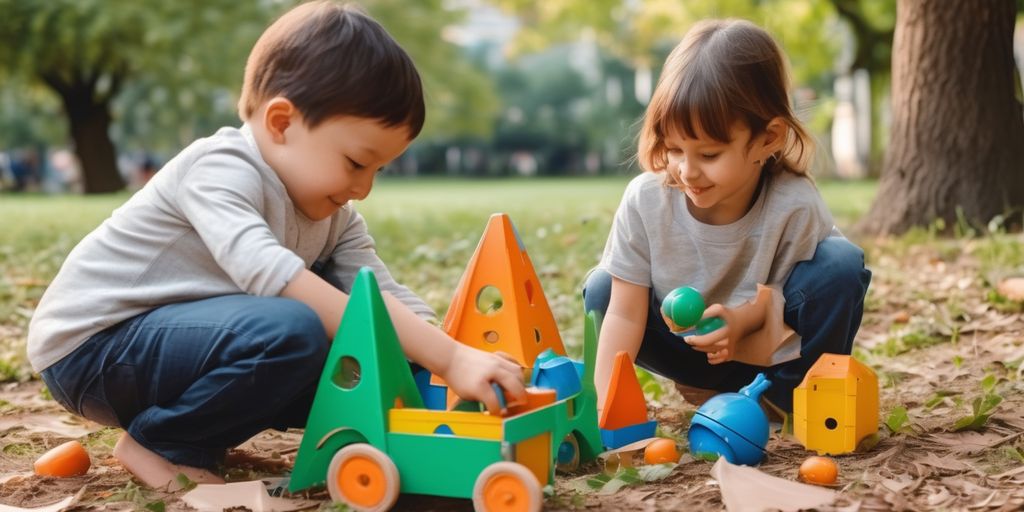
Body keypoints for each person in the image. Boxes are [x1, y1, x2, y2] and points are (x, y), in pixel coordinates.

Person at [27, 1, 526, 490]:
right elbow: (272, 278)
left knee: (361, 356)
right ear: (282, 123)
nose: (364, 186)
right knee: (293, 330)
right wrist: (449, 358)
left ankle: (216, 428)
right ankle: (164, 443)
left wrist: (449, 354)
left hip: (186, 345)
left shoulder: (337, 217)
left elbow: (380, 299)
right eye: (356, 162)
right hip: (94, 348)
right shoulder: (219, 169)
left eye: (379, 169)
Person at [584, 19, 871, 418]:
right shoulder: (645, 200)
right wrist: (602, 407)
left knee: (840, 266)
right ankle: (711, 389)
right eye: (675, 149)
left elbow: (782, 301)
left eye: (709, 154)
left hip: (769, 352)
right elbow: (625, 313)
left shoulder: (793, 205)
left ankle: (783, 400)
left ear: (767, 139)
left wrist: (738, 322)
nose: (687, 171)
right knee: (602, 290)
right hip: (689, 350)